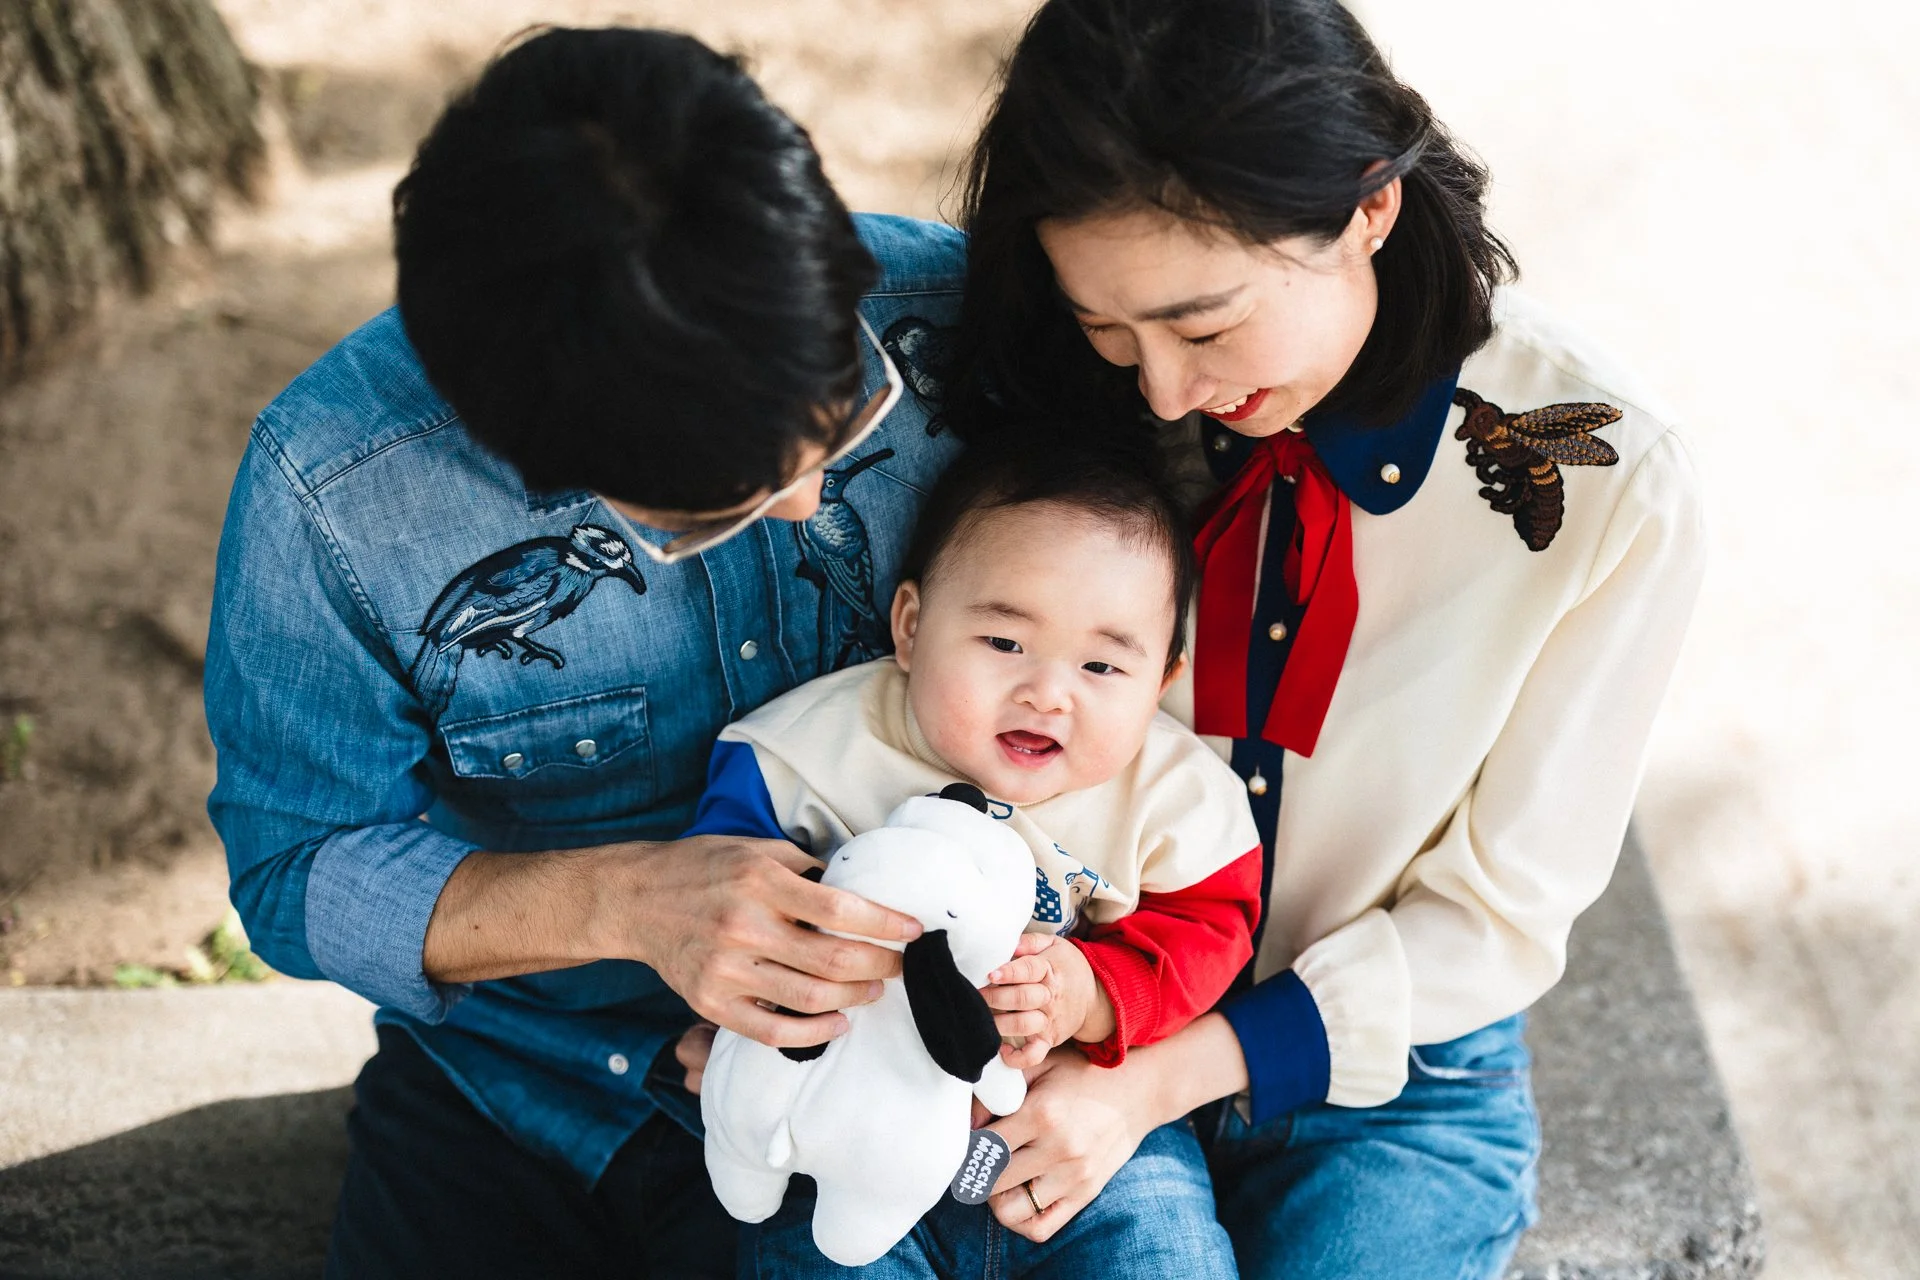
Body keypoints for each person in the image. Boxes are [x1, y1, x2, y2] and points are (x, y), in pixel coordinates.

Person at [935, 1, 1708, 1276]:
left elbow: (1499, 916)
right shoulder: (1075, 395)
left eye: (1204, 324)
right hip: (1079, 1002)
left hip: (1387, 1078)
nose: (1168, 393)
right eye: (1110, 332)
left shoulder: (1612, 483)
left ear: (1369, 208)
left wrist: (1155, 1085)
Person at [204, 27, 971, 1278]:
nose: (800, 503)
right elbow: (292, 865)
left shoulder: (960, 312)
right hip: (516, 1071)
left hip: (883, 1054)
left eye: (842, 409)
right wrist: (623, 903)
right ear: (516, 457)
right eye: (710, 503)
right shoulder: (333, 487)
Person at [681, 435, 1261, 1277]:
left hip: (1082, 1130)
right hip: (840, 1130)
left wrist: (1093, 996)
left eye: (1102, 665)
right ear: (912, 627)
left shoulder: (1172, 795)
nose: (1048, 692)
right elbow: (723, 892)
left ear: (1162, 678)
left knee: (1161, 1256)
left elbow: (1214, 924)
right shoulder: (807, 751)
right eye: (1003, 644)